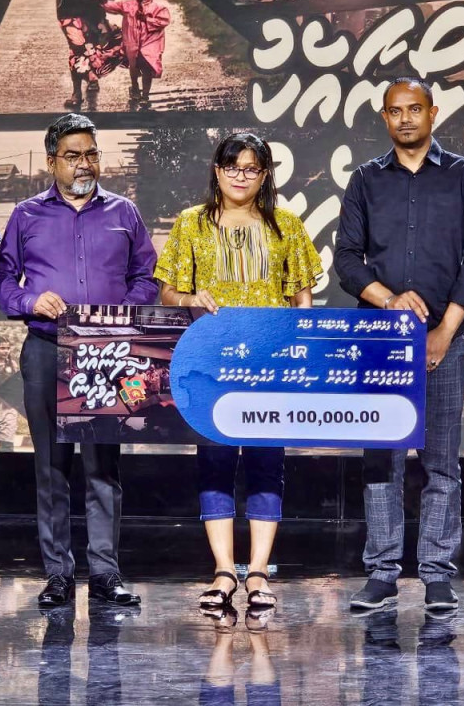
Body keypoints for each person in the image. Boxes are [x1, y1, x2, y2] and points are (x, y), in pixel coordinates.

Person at [0, 114, 158, 607]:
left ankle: (105, 572)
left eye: (91, 154)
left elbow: (146, 275)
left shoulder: (124, 212)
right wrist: (29, 301)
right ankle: (58, 574)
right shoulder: (27, 214)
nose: (84, 163)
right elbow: (1, 277)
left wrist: (122, 311)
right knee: (51, 466)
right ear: (52, 162)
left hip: (107, 352)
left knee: (103, 466)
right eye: (73, 155)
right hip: (47, 349)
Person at [334, 77, 464, 612]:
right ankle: (382, 573)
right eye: (395, 111)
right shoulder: (365, 179)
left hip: (447, 338)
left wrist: (443, 331)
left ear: (432, 113)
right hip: (379, 338)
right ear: (384, 117)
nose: (405, 119)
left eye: (414, 109)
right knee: (382, 460)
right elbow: (347, 259)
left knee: (441, 461)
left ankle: (437, 574)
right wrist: (389, 300)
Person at [154, 132, 322, 610]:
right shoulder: (191, 223)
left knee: (267, 463)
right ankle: (224, 571)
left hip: (271, 366)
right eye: (232, 167)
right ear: (217, 171)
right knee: (215, 464)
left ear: (264, 175)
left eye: (251, 168)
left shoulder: (285, 225)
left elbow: (302, 298)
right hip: (211, 365)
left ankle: (260, 573)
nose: (241, 176)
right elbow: (167, 293)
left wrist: (299, 350)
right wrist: (190, 298)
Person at [41, 0, 124, 108]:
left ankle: (92, 76)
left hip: (92, 11)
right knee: (77, 48)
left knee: (93, 45)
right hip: (67, 13)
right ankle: (77, 93)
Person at [103, 0, 171, 106]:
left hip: (149, 43)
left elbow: (164, 21)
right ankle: (134, 87)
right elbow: (111, 6)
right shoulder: (128, 5)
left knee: (146, 68)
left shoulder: (158, 8)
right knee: (133, 67)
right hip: (132, 42)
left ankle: (145, 95)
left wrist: (146, 19)